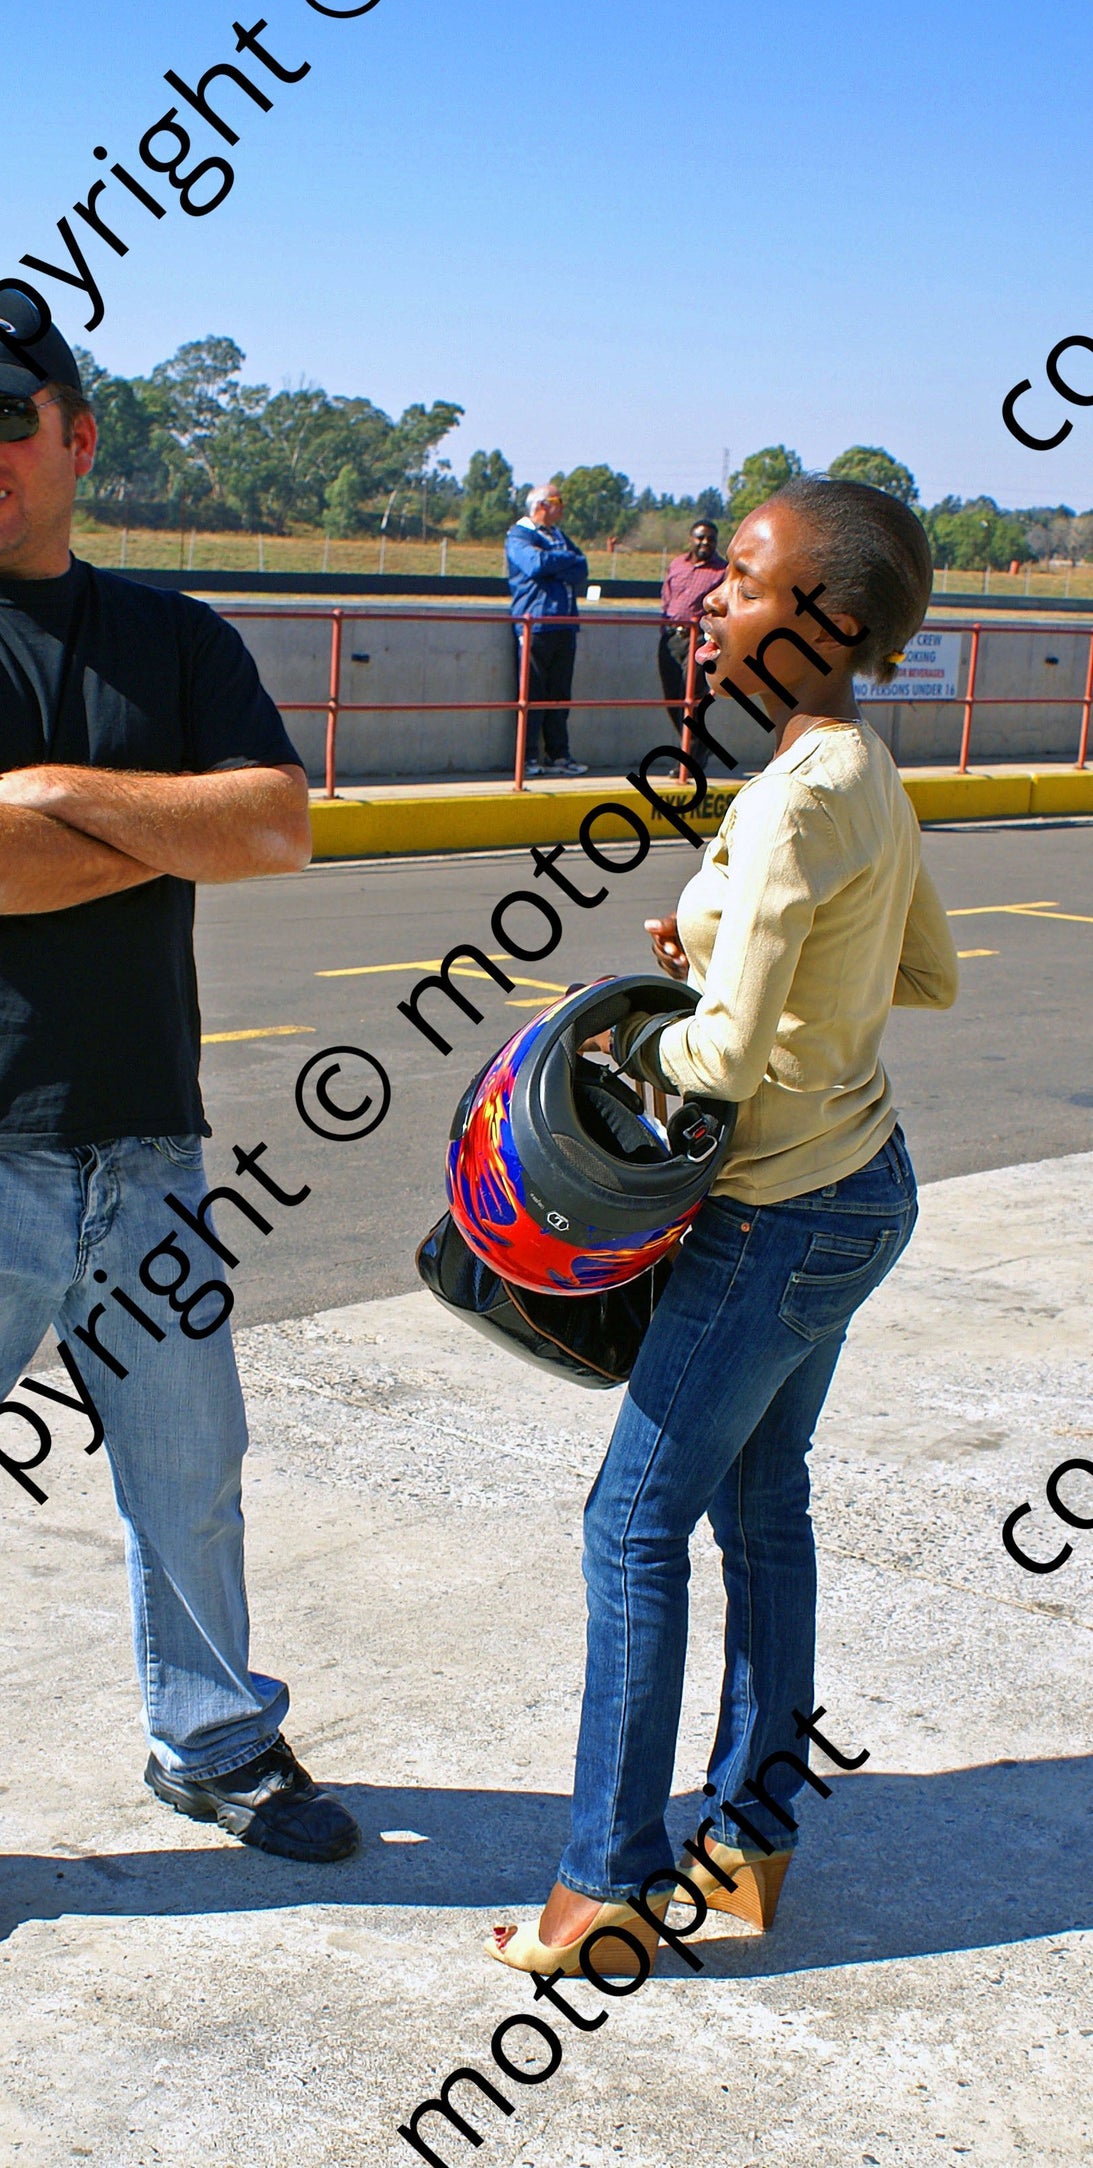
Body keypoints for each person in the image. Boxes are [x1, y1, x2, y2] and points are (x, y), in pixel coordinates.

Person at [0, 284, 359, 1981]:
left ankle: (215, 1740)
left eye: (4, 420)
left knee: (190, 1477)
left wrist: (49, 794)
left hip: (144, 1144)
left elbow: (275, 826)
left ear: (74, 437)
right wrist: (155, 831)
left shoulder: (173, 638)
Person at [486, 476, 958, 1980]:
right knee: (762, 1509)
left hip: (770, 1219)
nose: (704, 600)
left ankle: (600, 1884)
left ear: (820, 619)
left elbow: (723, 1062)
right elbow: (926, 972)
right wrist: (720, 932)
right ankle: (750, 1840)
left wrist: (635, 1041)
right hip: (862, 1186)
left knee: (629, 1523)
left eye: (740, 578)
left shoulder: (786, 799)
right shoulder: (864, 771)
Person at [505, 482, 589, 777]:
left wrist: (560, 562)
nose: (562, 506)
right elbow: (535, 564)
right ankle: (527, 758)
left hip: (565, 625)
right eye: (558, 500)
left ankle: (559, 756)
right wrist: (564, 561)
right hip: (535, 625)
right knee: (532, 694)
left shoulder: (558, 536)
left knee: (559, 695)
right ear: (542, 505)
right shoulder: (519, 535)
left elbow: (582, 567)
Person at [658, 518, 727, 731]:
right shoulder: (677, 564)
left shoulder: (723, 571)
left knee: (692, 698)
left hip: (698, 639)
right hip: (670, 638)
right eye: (700, 537)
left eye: (711, 539)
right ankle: (691, 752)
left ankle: (692, 758)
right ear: (691, 539)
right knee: (672, 698)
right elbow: (666, 597)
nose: (705, 542)